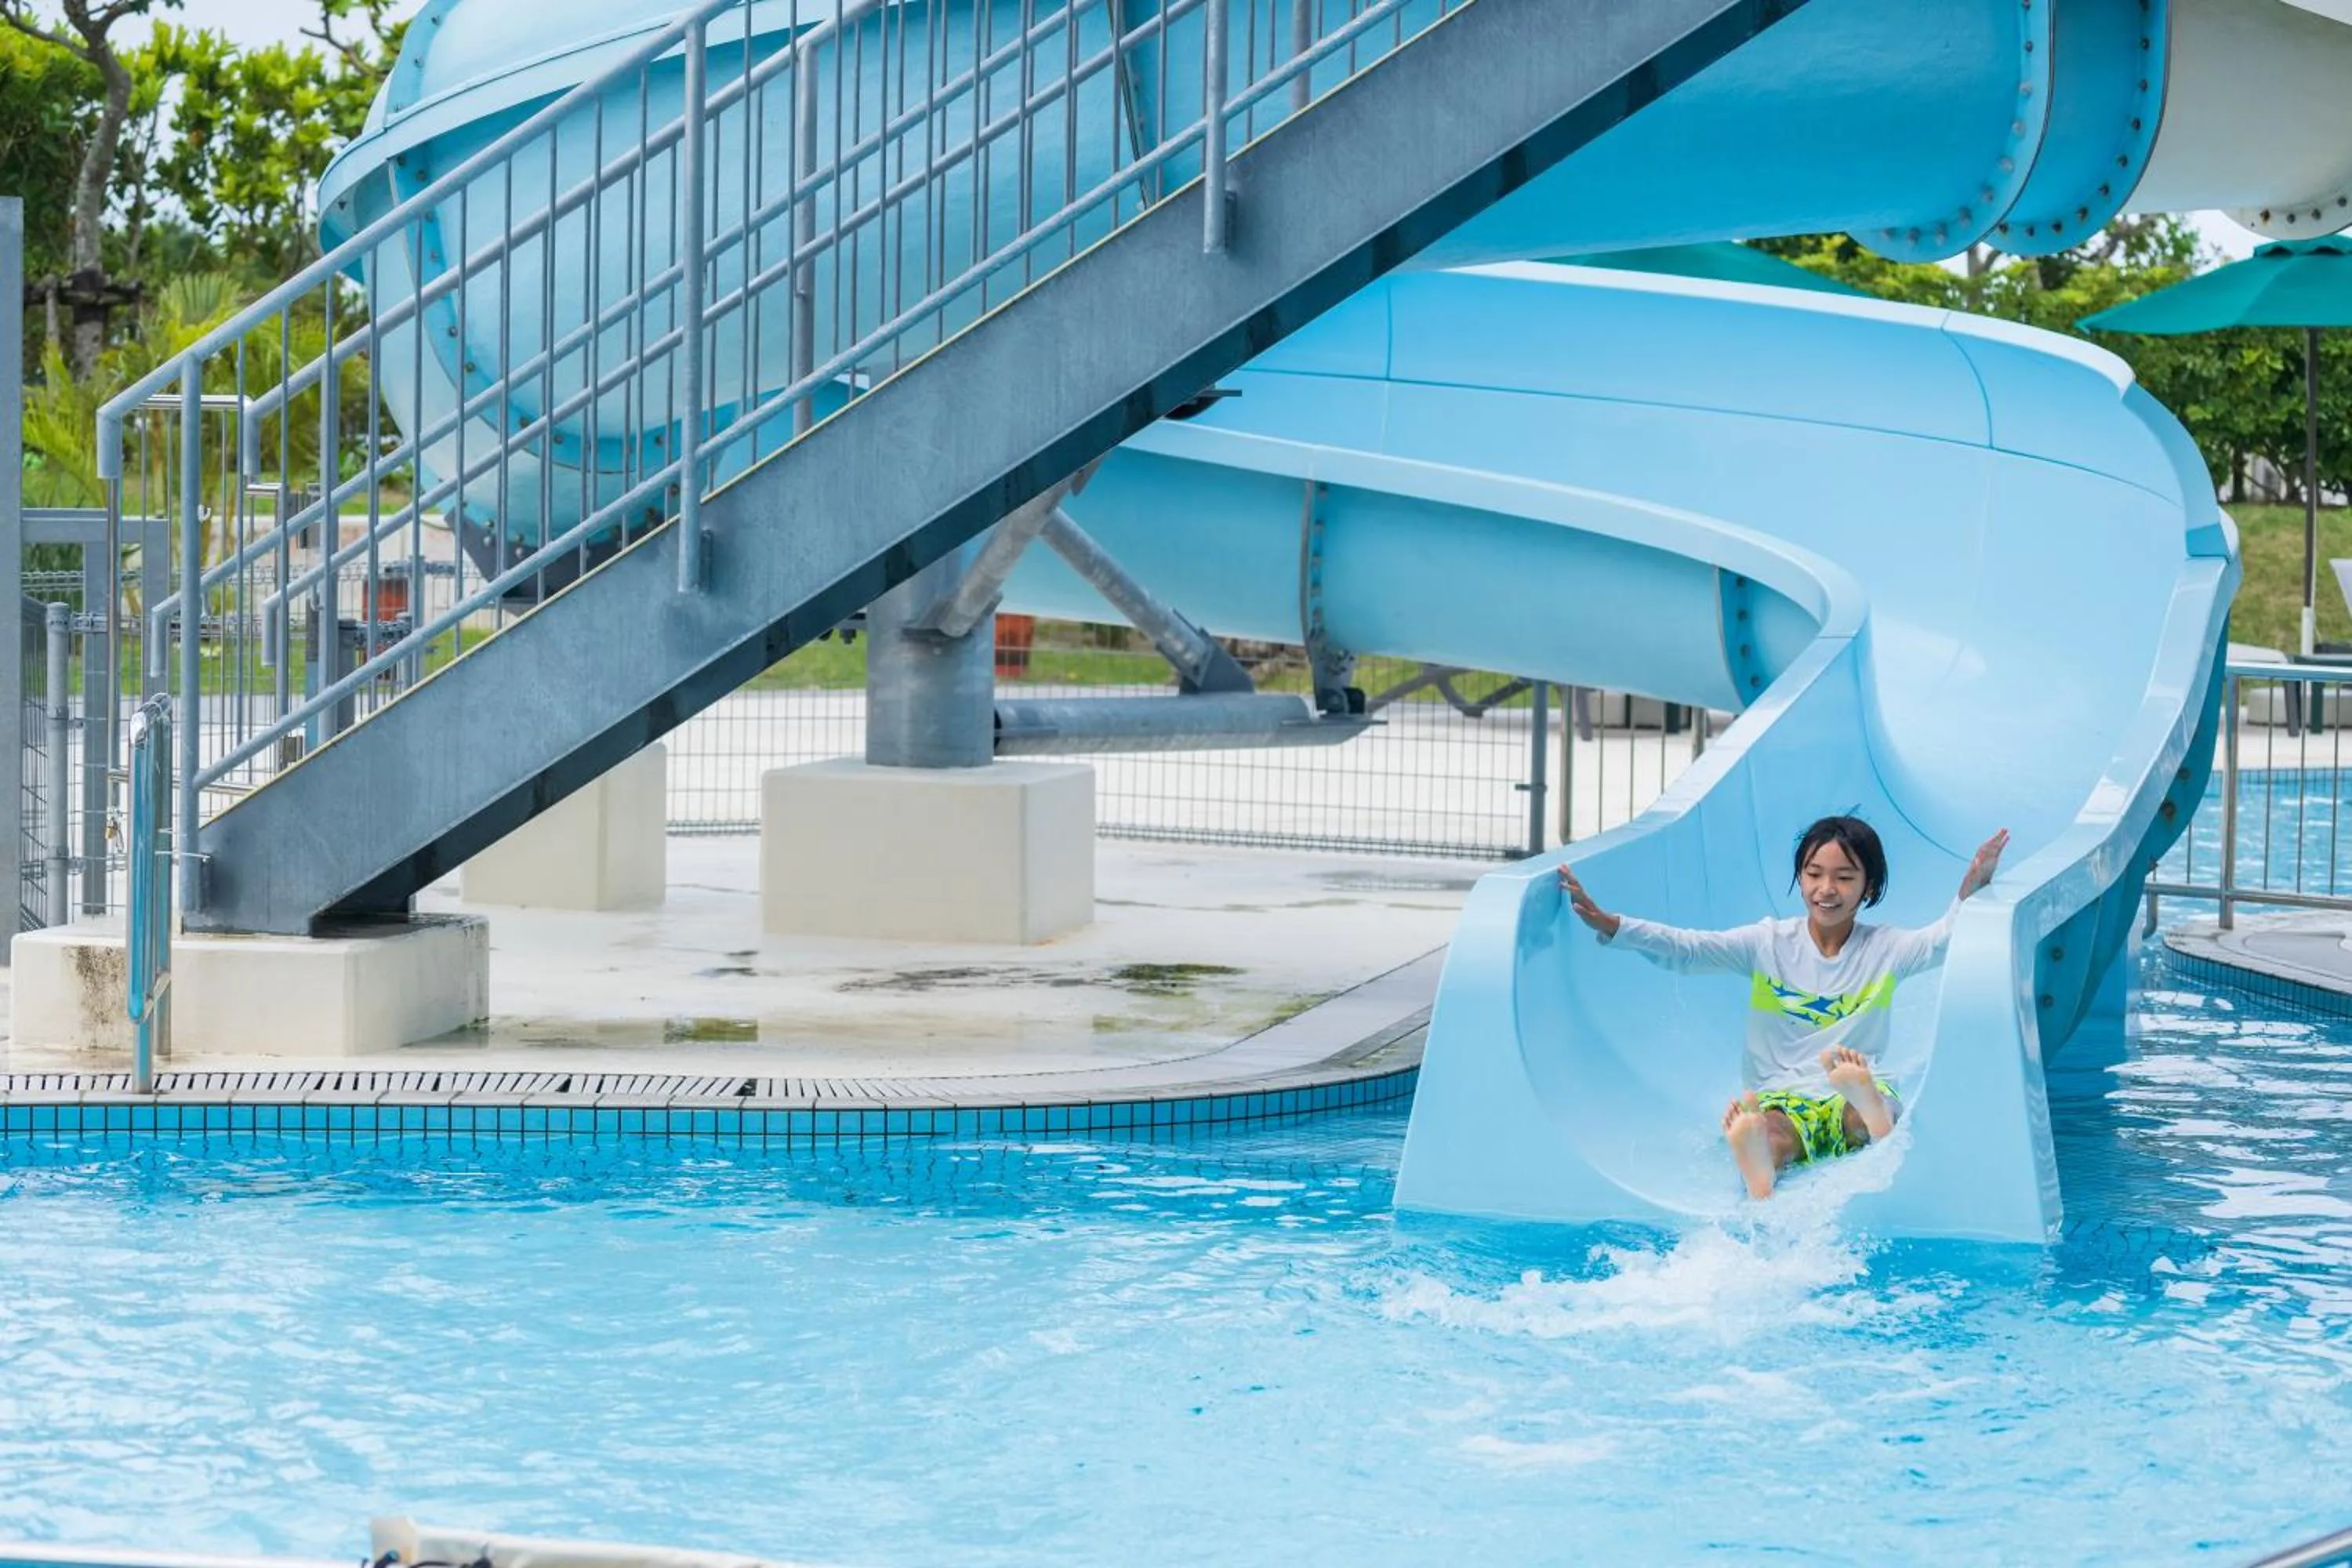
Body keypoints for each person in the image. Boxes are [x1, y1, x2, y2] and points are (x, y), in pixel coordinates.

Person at [1556, 815, 2008, 1200]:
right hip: (1783, 1097)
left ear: (1869, 887)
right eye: (1814, 874)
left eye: (1845, 877)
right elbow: (1689, 948)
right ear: (1800, 877)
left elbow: (1946, 937)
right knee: (1772, 1132)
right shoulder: (1767, 943)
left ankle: (1868, 1116)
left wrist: (1972, 886)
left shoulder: (1888, 949)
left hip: (1850, 1086)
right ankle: (1764, 1164)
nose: (1826, 889)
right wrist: (1614, 925)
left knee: (1861, 1112)